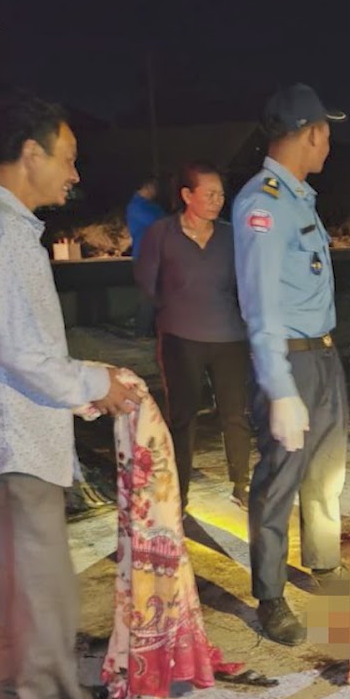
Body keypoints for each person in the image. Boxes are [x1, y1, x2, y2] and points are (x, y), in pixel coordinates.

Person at [0, 94, 142, 699]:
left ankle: (28, 698)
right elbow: (22, 353)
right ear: (31, 154)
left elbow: (16, 347)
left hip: (0, 439)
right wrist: (96, 384)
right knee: (40, 594)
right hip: (13, 442)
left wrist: (83, 389)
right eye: (68, 158)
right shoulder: (2, 233)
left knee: (17, 592)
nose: (75, 175)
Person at [231, 83, 349, 646]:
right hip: (292, 363)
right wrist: (279, 390)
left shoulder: (300, 198)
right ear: (312, 133)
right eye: (327, 132)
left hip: (323, 355)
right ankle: (271, 594)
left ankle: (323, 562)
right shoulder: (264, 203)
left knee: (325, 471)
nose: (330, 144)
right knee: (279, 480)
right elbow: (260, 307)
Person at [133, 161, 251, 512]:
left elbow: (244, 283)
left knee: (235, 414)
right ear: (187, 195)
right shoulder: (161, 234)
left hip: (229, 337)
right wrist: (171, 311)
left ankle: (241, 483)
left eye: (221, 195)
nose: (217, 201)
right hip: (181, 338)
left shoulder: (231, 236)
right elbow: (147, 283)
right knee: (183, 418)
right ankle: (179, 493)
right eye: (209, 194)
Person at [127, 176, 166, 337]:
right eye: (154, 187)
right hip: (144, 256)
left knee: (158, 295)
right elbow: (159, 224)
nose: (156, 191)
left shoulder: (151, 206)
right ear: (147, 187)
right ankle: (142, 332)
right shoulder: (136, 206)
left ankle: (154, 330)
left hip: (158, 255)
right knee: (148, 296)